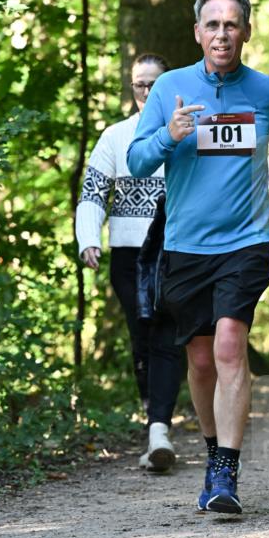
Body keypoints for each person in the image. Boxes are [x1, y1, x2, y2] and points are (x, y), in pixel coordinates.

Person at [127, 0, 269, 513]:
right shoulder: (170, 89)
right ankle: (212, 454)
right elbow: (136, 161)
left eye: (232, 24)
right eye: (213, 25)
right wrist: (169, 136)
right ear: (197, 32)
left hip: (247, 241)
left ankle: (226, 472)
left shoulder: (265, 91)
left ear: (246, 31)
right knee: (200, 361)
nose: (222, 34)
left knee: (229, 347)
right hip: (186, 247)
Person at [76, 53, 184, 471]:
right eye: (140, 84)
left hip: (177, 250)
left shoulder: (186, 132)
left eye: (154, 84)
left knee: (167, 334)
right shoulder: (115, 138)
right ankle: (154, 418)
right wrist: (88, 238)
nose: (146, 92)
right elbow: (92, 192)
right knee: (141, 335)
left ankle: (159, 429)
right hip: (127, 254)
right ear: (132, 88)